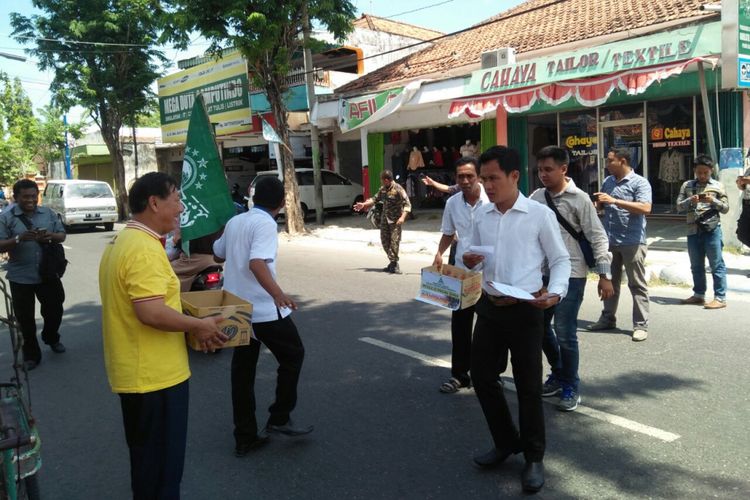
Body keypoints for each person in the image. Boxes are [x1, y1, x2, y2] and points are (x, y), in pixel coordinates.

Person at [98, 172, 227, 499]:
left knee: (147, 466)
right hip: (154, 379)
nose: (182, 208)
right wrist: (199, 325)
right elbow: (151, 312)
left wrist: (190, 322)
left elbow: (150, 305)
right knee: (161, 474)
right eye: (177, 199)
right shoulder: (142, 249)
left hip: (141, 374)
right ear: (154, 203)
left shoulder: (124, 241)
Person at [463, 146, 570, 494]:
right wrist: (469, 259)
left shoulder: (538, 215)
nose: (487, 186)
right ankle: (507, 441)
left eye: (493, 178)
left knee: (528, 387)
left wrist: (554, 292)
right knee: (480, 375)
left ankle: (534, 458)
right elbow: (475, 259)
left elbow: (559, 260)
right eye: (484, 180)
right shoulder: (482, 215)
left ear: (513, 176)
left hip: (526, 309)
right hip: (490, 307)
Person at [213, 176, 313, 458]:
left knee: (242, 373)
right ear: (282, 203)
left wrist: (230, 235)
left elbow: (217, 254)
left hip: (235, 308)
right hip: (262, 310)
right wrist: (278, 294)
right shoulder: (266, 223)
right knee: (293, 355)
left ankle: (244, 437)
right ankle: (279, 417)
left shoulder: (236, 221)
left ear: (253, 198)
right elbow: (257, 263)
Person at [530, 146, 613, 412]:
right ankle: (559, 373)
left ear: (563, 169)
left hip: (572, 275)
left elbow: (597, 236)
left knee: (565, 333)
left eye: (548, 169)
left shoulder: (580, 199)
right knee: (540, 329)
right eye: (540, 170)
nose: (543, 174)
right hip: (542, 273)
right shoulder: (536, 197)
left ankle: (570, 386)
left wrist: (605, 275)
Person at [433, 157, 489, 394]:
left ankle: (486, 375)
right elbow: (449, 232)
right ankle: (460, 375)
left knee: (488, 329)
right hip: (462, 275)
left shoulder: (492, 201)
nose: (465, 181)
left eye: (470, 176)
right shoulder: (453, 203)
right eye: (460, 177)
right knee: (460, 327)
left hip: (490, 276)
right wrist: (438, 253)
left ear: (479, 177)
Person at [0, 179, 67, 370]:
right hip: (20, 276)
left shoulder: (48, 213)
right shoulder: (6, 216)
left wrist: (49, 237)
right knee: (25, 319)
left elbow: (61, 235)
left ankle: (51, 337)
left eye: (33, 196)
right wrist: (19, 238)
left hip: (47, 273)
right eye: (25, 197)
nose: (30, 200)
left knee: (55, 309)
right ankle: (31, 355)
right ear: (16, 197)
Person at [588, 149, 652, 342]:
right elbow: (602, 206)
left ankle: (640, 325)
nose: (606, 164)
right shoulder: (608, 182)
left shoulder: (640, 182)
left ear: (622, 161)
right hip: (609, 241)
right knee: (609, 282)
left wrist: (614, 200)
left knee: (637, 284)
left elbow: (646, 208)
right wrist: (595, 205)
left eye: (610, 161)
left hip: (632, 241)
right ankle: (608, 318)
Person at [676, 155, 729, 309]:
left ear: (711, 170)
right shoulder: (687, 186)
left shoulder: (718, 186)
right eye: (699, 172)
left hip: (712, 230)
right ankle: (699, 294)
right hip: (692, 230)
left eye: (705, 172)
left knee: (716, 264)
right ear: (694, 171)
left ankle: (720, 297)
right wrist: (690, 200)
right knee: (696, 265)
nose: (702, 176)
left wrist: (713, 201)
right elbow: (679, 207)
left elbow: (726, 209)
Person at [353, 170, 411, 274]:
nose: (381, 182)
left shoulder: (398, 189)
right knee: (384, 241)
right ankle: (391, 262)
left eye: (382, 180)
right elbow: (375, 199)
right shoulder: (383, 189)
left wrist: (402, 217)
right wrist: (363, 204)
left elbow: (407, 204)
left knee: (394, 242)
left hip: (395, 220)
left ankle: (394, 264)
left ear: (386, 180)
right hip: (385, 220)